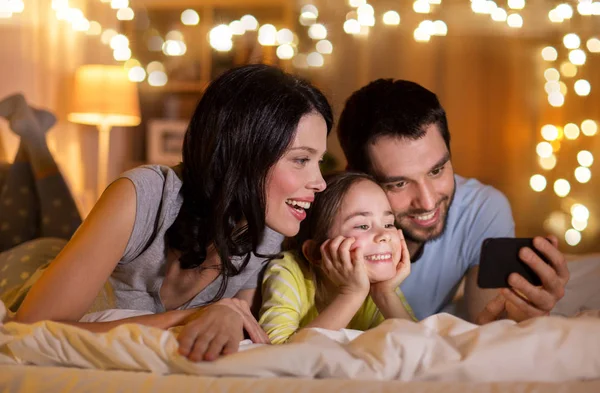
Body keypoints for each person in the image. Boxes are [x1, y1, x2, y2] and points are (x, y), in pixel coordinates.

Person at [5, 64, 333, 362]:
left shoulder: (266, 231)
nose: (319, 182)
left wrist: (228, 314)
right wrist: (185, 317)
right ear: (244, 152)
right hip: (22, 268)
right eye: (301, 160)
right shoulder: (143, 195)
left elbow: (236, 318)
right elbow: (30, 331)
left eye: (317, 161)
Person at [336, 79, 569, 324]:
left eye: (436, 171)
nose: (427, 202)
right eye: (399, 184)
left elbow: (485, 324)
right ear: (355, 177)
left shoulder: (481, 210)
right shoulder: (322, 216)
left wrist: (524, 315)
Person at [259, 172, 414, 344]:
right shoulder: (288, 270)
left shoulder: (380, 284)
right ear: (315, 253)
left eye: (388, 224)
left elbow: (423, 349)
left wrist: (385, 294)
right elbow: (277, 354)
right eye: (363, 225)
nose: (384, 235)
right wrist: (351, 293)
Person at [0, 93, 82, 308]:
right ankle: (34, 139)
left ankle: (33, 139)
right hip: (55, 254)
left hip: (44, 257)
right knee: (69, 248)